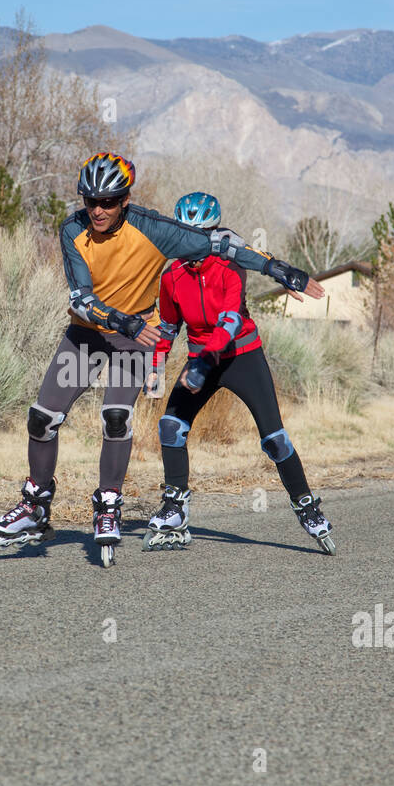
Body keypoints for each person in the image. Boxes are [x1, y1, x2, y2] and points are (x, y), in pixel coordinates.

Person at [0, 155, 324, 566]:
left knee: (115, 417)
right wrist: (122, 324)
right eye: (90, 200)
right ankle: (36, 505)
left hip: (137, 336)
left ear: (125, 200)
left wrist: (278, 268)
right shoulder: (71, 230)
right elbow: (81, 299)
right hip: (90, 334)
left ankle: (108, 505)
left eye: (108, 201)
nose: (97, 210)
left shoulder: (153, 229)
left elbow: (222, 242)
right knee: (42, 417)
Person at [144, 191, 336, 554]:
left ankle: (307, 507)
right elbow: (168, 326)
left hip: (240, 355)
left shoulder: (230, 268)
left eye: (199, 236)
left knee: (275, 440)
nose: (190, 246)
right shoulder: (171, 277)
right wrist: (156, 365)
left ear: (213, 234)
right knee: (170, 427)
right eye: (184, 236)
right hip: (201, 360)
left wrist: (203, 362)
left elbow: (230, 321)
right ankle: (175, 507)